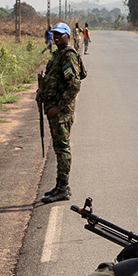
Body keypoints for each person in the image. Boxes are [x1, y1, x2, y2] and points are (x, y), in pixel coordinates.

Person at [37, 21, 85, 204]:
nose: (56, 37)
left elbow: (74, 85)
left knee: (62, 148)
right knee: (58, 149)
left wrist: (58, 107)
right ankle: (59, 186)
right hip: (53, 109)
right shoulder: (58, 54)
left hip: (61, 111)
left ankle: (63, 188)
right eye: (54, 35)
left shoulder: (68, 56)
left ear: (68, 36)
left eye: (60, 34)